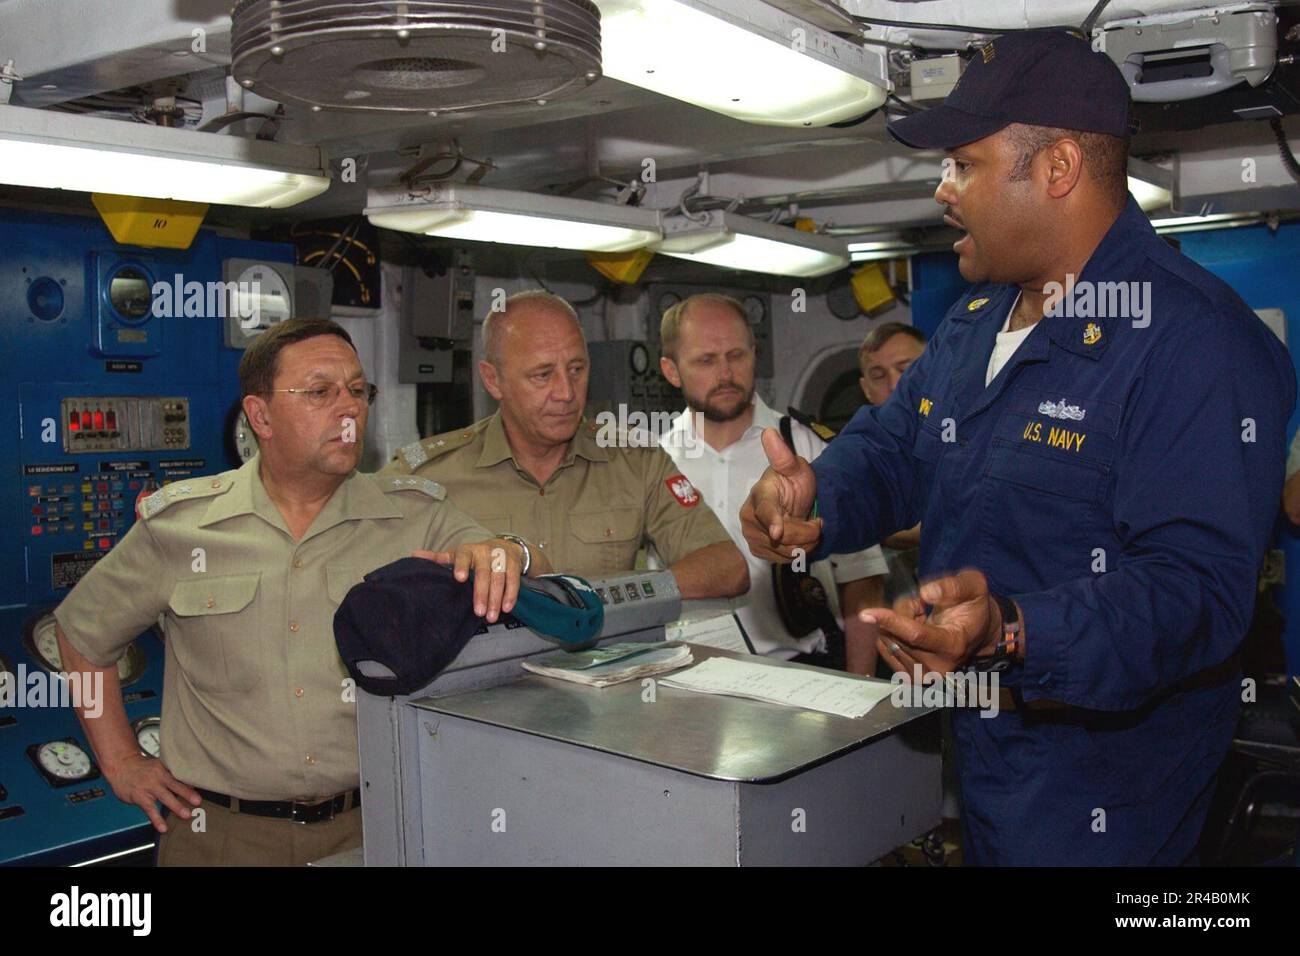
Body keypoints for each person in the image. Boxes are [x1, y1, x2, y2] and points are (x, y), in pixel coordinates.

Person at [740, 28, 1295, 865]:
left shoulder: (1194, 342)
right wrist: (815, 499)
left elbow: (1197, 594)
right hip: (980, 747)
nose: (942, 189)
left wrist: (1012, 631)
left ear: (1058, 168)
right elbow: (895, 449)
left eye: (963, 163)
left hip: (1105, 787)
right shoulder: (976, 322)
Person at [54, 318, 537, 866]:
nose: (349, 408)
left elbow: (516, 563)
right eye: (320, 392)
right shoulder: (181, 527)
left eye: (358, 391)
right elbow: (81, 637)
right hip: (221, 838)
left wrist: (509, 551)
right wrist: (121, 763)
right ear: (260, 415)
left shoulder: (414, 516)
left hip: (373, 829)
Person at [383, 290, 748, 599]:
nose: (567, 393)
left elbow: (727, 567)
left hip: (608, 675)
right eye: (543, 375)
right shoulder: (430, 475)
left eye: (576, 369)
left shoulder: (635, 461)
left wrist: (614, 599)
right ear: (493, 381)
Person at [658, 293, 886, 670]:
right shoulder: (656, 463)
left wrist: (863, 691)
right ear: (671, 370)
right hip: (692, 678)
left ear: (754, 353)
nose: (726, 374)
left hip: (803, 672)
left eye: (737, 355)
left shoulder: (806, 446)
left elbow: (862, 579)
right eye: (706, 361)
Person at [858, 322, 928, 604]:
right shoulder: (858, 457)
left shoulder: (970, 435)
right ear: (866, 390)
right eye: (878, 375)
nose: (895, 384)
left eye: (906, 368)